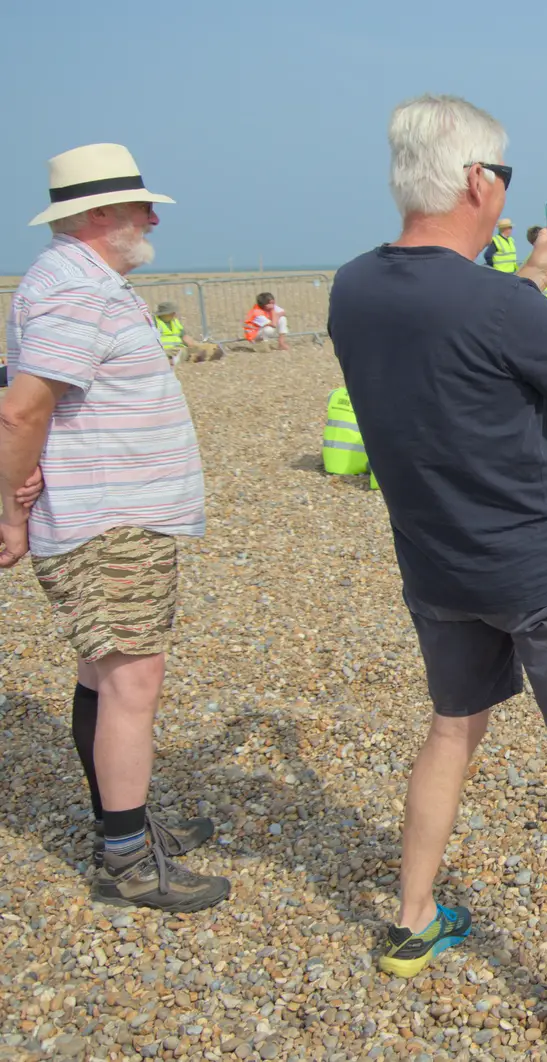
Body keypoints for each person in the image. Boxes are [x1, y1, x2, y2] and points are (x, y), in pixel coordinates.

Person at [325, 95, 547, 1045]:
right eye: (505, 176)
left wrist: (527, 273)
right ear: (478, 182)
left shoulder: (352, 288)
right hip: (541, 567)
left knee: (453, 730)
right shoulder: (495, 306)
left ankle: (411, 922)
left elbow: (457, 336)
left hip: (439, 566)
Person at [1, 143, 224, 911]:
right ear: (98, 215)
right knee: (133, 680)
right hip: (109, 523)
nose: (152, 217)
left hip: (116, 517)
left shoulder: (80, 281)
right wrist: (8, 504)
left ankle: (123, 824)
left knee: (103, 674)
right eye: (139, 206)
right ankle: (127, 859)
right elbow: (22, 409)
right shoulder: (74, 290)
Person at [154, 301, 222, 363]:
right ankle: (176, 360)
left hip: (180, 348)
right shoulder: (155, 323)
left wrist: (199, 346)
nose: (174, 314)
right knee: (182, 352)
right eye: (171, 312)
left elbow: (185, 337)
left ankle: (199, 356)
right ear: (163, 314)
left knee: (207, 347)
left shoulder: (175, 321)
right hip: (166, 350)